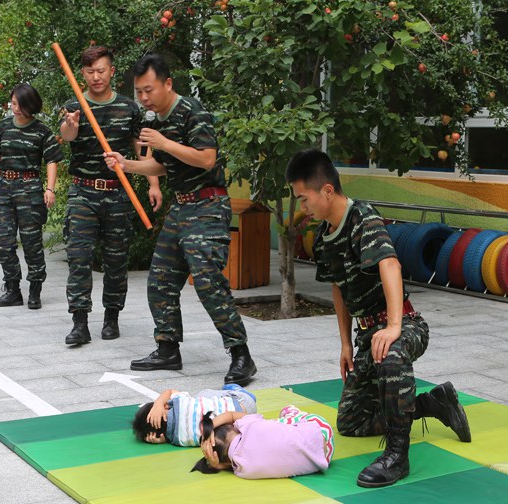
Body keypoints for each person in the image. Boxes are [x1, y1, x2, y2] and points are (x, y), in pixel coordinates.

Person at [286, 148, 471, 488]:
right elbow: (339, 290)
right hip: (366, 336)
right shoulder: (326, 235)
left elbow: (390, 265)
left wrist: (395, 326)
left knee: (392, 354)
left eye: (303, 198)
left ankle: (397, 457)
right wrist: (344, 344)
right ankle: (433, 404)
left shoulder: (362, 219)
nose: (302, 208)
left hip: (405, 324)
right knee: (351, 422)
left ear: (327, 190)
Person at [103, 53, 255, 385]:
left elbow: (206, 159)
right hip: (181, 208)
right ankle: (168, 348)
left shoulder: (192, 112)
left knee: (207, 281)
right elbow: (160, 165)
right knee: (159, 280)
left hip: (208, 206)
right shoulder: (154, 121)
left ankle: (241, 354)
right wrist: (125, 164)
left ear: (167, 84)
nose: (144, 98)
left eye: (149, 90)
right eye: (139, 92)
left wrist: (165, 143)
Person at [59, 46, 162, 345]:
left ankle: (111, 317)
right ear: (82, 74)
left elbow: (142, 150)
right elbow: (68, 136)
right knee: (79, 257)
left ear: (112, 71)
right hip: (83, 192)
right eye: (90, 72)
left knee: (116, 259)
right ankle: (80, 322)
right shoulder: (73, 105)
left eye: (101, 71)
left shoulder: (128, 108)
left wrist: (153, 184)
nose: (96, 77)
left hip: (117, 194)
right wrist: (71, 126)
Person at [0, 84, 63, 309]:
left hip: (30, 188)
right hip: (5, 189)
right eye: (13, 103)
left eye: (20, 104)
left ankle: (35, 289)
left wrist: (50, 189)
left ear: (31, 105)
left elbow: (51, 160)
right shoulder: (4, 127)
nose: (16, 108)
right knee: (2, 241)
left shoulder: (42, 130)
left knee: (31, 243)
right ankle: (12, 289)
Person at [192, 406, 334, 479]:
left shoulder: (243, 472)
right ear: (233, 427)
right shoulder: (249, 426)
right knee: (280, 420)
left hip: (323, 460)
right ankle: (290, 411)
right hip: (320, 428)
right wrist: (209, 430)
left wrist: (217, 465)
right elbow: (231, 415)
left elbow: (229, 465)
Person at [132, 384, 257, 446]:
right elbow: (171, 391)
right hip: (243, 402)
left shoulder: (179, 440)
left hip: (244, 427)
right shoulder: (179, 402)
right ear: (166, 407)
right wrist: (158, 403)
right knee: (201, 395)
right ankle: (236, 389)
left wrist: (164, 440)